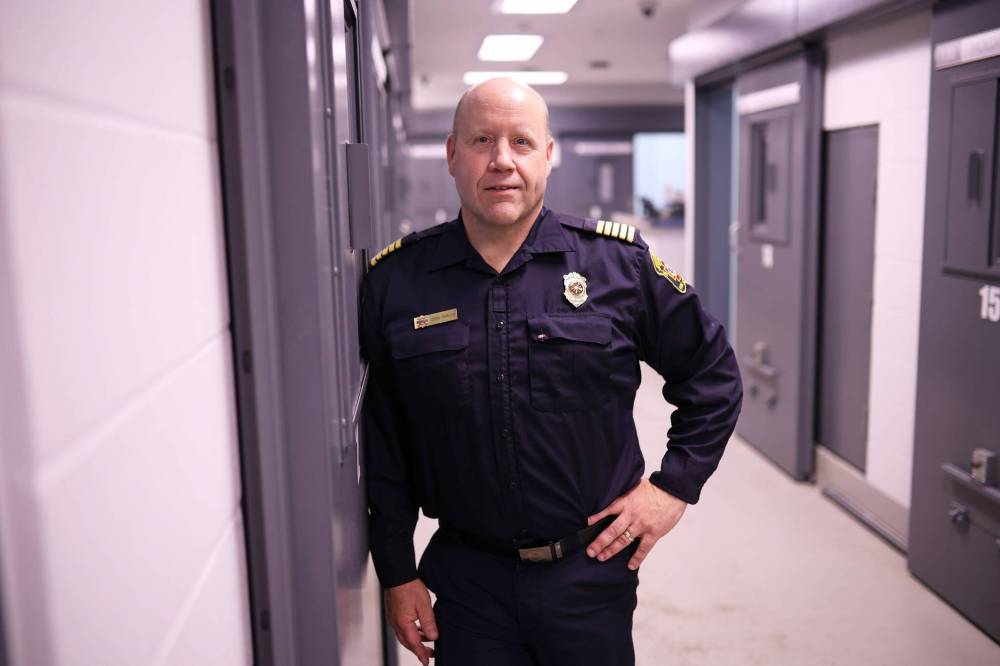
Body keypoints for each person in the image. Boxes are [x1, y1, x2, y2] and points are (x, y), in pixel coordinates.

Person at [360, 77, 742, 665]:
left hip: (589, 574)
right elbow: (385, 441)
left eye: (521, 141)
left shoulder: (619, 266)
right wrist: (396, 570)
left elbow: (712, 376)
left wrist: (673, 488)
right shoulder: (398, 282)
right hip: (466, 581)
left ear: (549, 155)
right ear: (452, 154)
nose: (502, 161)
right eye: (483, 140)